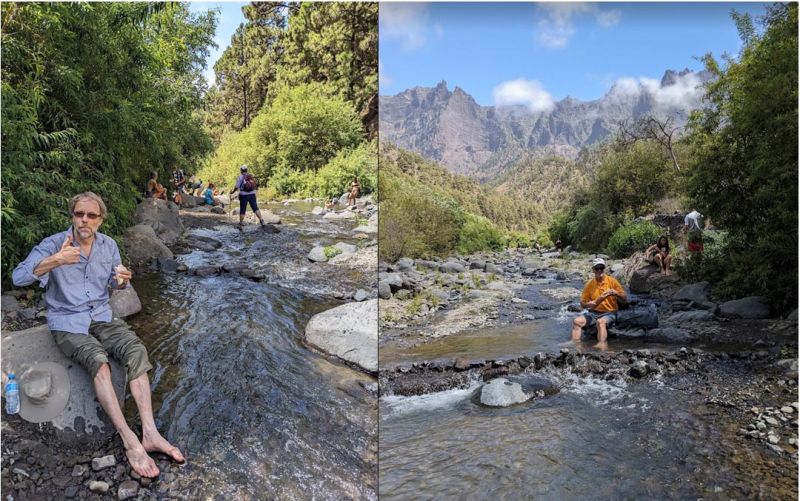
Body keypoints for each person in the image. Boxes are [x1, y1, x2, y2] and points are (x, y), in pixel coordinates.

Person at [11, 192, 184, 478]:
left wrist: (120, 281)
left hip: (102, 316)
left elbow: (112, 284)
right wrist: (56, 260)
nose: (84, 220)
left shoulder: (109, 246)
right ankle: (129, 439)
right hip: (67, 321)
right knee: (98, 360)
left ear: (100, 220)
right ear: (72, 216)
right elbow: (18, 278)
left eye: (91, 215)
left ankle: (150, 433)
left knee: (136, 351)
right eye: (79, 214)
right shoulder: (55, 244)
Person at [571, 258, 627, 349]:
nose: (599, 270)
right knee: (577, 321)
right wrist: (589, 304)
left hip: (610, 312)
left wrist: (615, 293)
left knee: (600, 322)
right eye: (597, 268)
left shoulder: (612, 281)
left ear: (604, 268)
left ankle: (602, 344)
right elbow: (582, 303)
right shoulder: (589, 284)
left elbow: (624, 298)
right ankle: (575, 344)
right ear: (593, 270)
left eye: (601, 268)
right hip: (593, 312)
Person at [229, 164, 266, 229]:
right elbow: (255, 185)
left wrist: (232, 192)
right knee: (255, 208)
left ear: (241, 170)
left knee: (243, 210)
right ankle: (262, 221)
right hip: (252, 194)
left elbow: (237, 187)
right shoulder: (250, 176)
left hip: (244, 195)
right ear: (246, 170)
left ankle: (240, 224)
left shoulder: (240, 177)